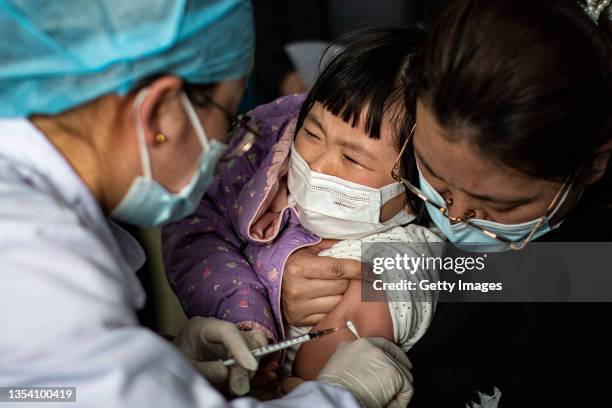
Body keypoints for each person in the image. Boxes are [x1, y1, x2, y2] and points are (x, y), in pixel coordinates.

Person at [0, 1, 413, 407]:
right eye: (232, 116)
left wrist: (412, 270)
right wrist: (340, 395)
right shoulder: (35, 260)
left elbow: (478, 274)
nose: (241, 142)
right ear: (160, 114)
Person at [283, 0, 612, 406]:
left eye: (497, 207)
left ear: (594, 163)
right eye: (432, 177)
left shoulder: (586, 282)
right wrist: (288, 271)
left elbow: (516, 275)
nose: (453, 215)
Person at [162, 26, 443, 383]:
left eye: (353, 160)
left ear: (422, 186)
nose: (317, 165)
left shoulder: (391, 267)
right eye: (312, 134)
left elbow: (307, 381)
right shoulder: (265, 148)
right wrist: (264, 284)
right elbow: (197, 224)